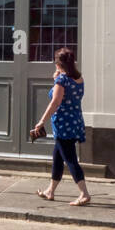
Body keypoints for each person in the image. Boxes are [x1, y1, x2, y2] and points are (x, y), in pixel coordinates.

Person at [33, 47, 91, 206]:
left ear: (58, 64)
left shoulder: (62, 80)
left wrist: (41, 121)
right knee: (58, 157)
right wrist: (57, 80)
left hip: (62, 124)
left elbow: (55, 102)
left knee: (71, 159)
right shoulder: (79, 78)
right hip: (74, 121)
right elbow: (68, 96)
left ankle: (84, 193)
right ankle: (50, 191)